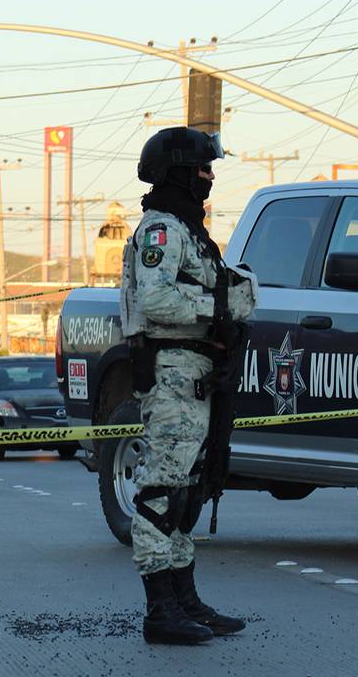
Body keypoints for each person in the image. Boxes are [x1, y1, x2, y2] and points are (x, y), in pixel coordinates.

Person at [120, 126, 257, 645]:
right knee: (162, 488)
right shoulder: (161, 230)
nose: (210, 175)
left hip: (198, 372)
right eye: (203, 168)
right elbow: (156, 303)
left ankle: (185, 599)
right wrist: (217, 310)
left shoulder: (189, 229)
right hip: (173, 370)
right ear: (178, 169)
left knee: (189, 489)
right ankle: (160, 611)